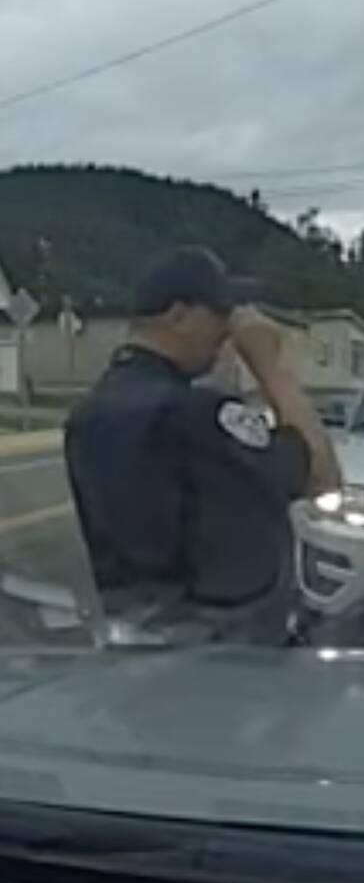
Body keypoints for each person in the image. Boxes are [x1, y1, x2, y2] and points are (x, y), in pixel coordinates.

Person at [65, 246, 340, 644]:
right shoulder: (196, 413)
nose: (229, 330)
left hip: (130, 640)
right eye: (222, 315)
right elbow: (321, 474)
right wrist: (269, 365)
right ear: (179, 316)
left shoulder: (87, 415)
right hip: (225, 652)